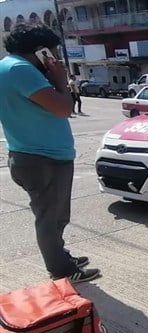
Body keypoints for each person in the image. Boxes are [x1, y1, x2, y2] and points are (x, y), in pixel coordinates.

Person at [0, 24, 100, 282]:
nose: (55, 56)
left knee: (53, 216)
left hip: (30, 155)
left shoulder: (6, 67)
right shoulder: (21, 70)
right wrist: (59, 80)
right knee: (51, 219)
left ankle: (60, 257)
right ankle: (62, 270)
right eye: (52, 51)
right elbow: (64, 108)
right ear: (41, 51)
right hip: (42, 158)